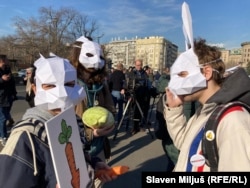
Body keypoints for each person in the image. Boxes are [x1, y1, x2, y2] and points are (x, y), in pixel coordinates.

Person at [0, 54, 116, 187]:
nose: (62, 94)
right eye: (49, 86)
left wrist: (93, 164)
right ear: (35, 89)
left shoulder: (72, 120)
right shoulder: (26, 136)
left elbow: (76, 155)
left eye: (69, 84)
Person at [164, 38, 250, 171]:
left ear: (206, 73)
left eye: (182, 75)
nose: (174, 84)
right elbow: (186, 144)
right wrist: (174, 109)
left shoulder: (233, 121)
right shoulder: (206, 109)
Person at [68, 36, 116, 161]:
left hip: (98, 146)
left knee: (100, 177)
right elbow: (61, 120)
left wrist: (109, 122)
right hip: (75, 149)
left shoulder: (100, 83)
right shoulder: (68, 83)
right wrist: (89, 134)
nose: (95, 62)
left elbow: (109, 107)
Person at [127, 59, 152, 135]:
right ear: (135, 65)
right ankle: (134, 127)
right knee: (134, 112)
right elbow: (127, 83)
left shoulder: (144, 73)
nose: (139, 67)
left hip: (143, 95)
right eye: (138, 65)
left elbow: (147, 83)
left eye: (140, 65)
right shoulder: (131, 73)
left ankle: (139, 125)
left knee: (141, 111)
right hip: (134, 95)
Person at [0, 54, 17, 146]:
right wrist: (2, 79)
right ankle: (3, 137)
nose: (8, 60)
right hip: (1, 99)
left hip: (8, 97)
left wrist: (14, 94)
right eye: (6, 59)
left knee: (5, 117)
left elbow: (12, 83)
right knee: (2, 118)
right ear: (2, 60)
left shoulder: (7, 69)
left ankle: (2, 132)